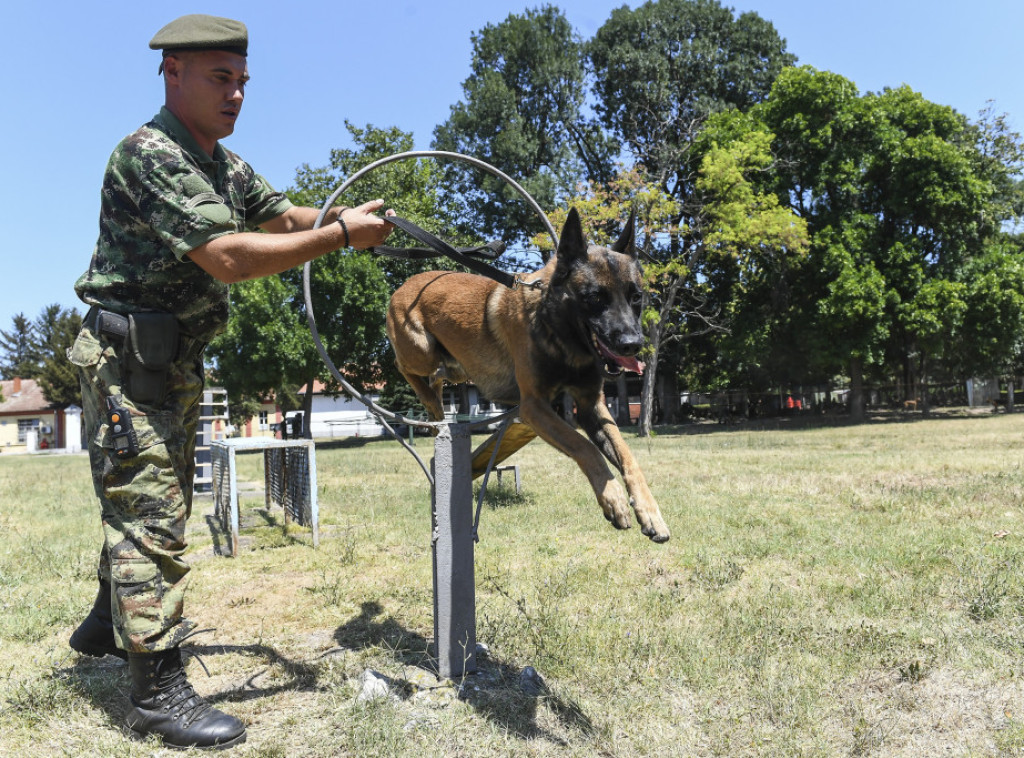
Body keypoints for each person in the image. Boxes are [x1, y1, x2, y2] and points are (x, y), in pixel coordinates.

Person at [67, 14, 394, 750]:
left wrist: (348, 218)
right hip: (126, 366)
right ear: (172, 73)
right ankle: (156, 695)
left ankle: (103, 627)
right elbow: (232, 258)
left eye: (243, 81)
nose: (237, 94)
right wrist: (340, 239)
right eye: (221, 78)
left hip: (171, 364)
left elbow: (280, 220)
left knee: (157, 506)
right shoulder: (149, 154)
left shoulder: (220, 162)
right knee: (151, 518)